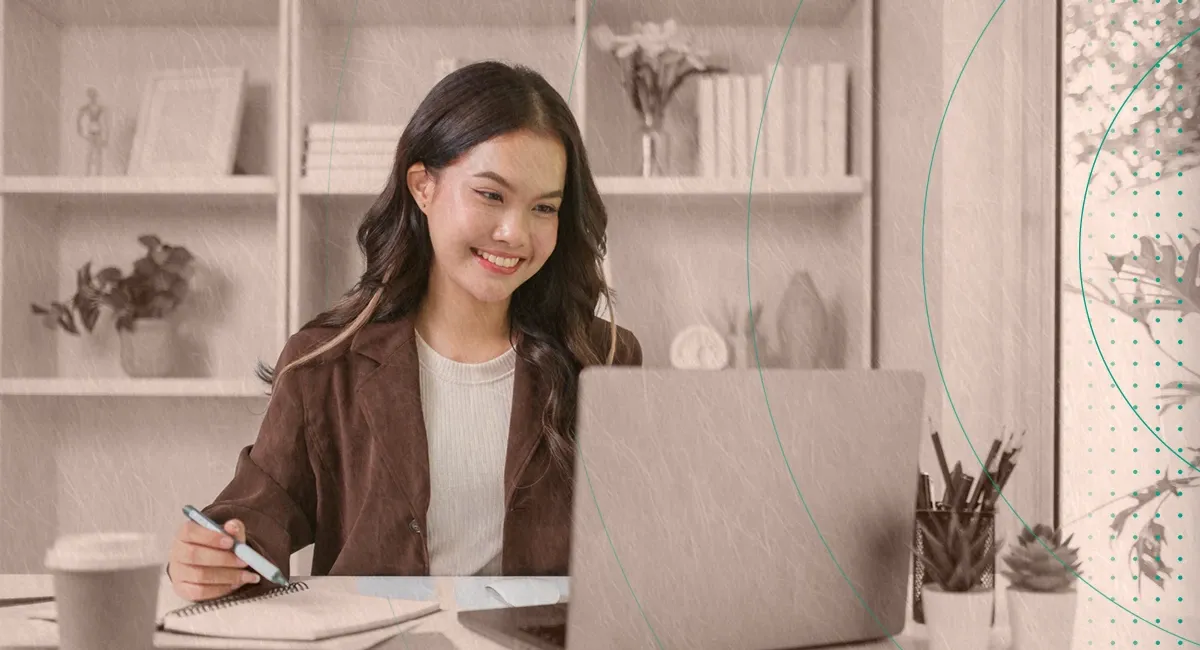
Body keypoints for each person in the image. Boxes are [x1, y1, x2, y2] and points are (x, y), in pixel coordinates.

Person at [165, 60, 642, 602]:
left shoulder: (602, 357)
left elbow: (643, 537)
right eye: (491, 195)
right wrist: (210, 556)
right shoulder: (327, 359)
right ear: (423, 186)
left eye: (544, 207)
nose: (515, 233)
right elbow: (256, 514)